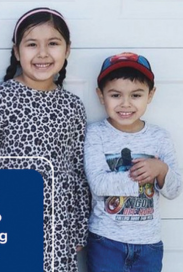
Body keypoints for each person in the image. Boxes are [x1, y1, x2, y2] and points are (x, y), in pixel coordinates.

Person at [0, 8, 90, 272]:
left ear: (67, 50)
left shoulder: (72, 106)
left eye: (53, 43)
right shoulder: (0, 98)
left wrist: (79, 227)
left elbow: (78, 169)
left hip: (57, 226)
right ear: (17, 52)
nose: (43, 53)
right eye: (32, 44)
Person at [84, 52, 182, 272]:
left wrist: (161, 170)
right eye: (116, 95)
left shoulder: (160, 137)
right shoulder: (95, 134)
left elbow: (174, 190)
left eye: (136, 95)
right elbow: (98, 185)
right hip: (105, 241)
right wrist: (140, 177)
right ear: (101, 96)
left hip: (149, 244)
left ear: (150, 94)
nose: (125, 104)